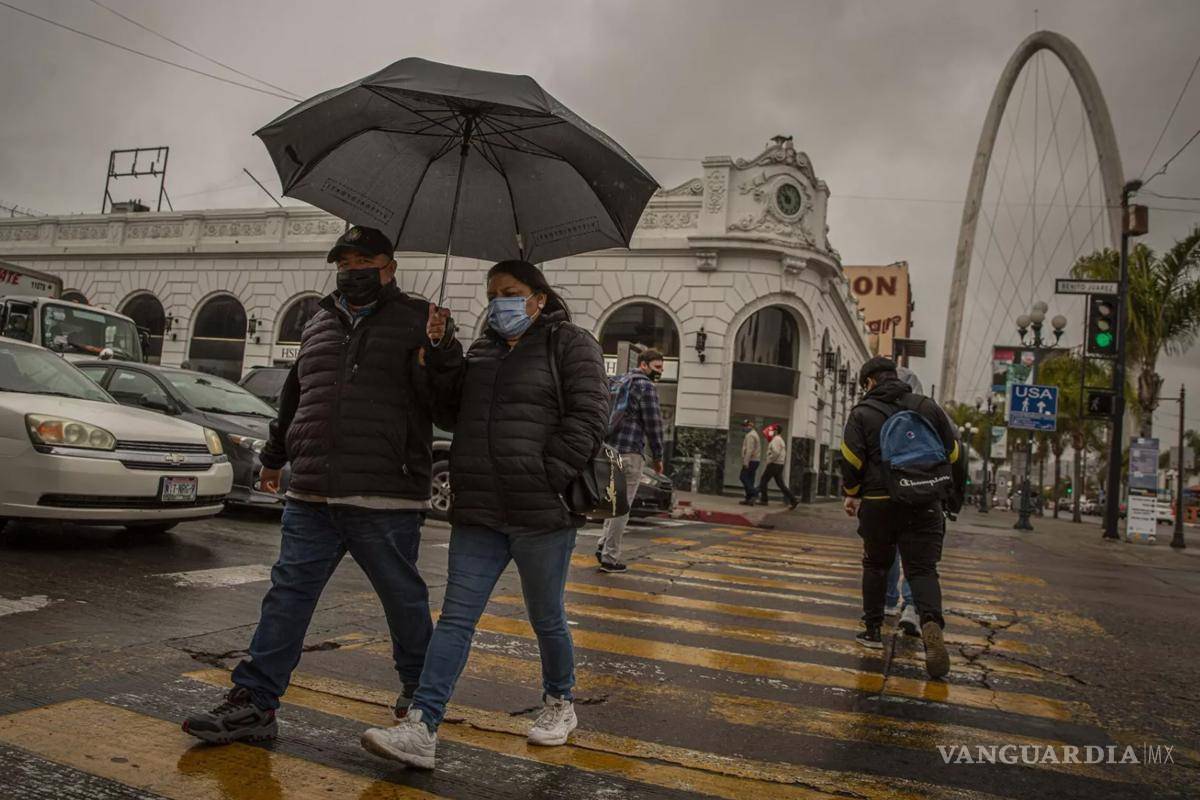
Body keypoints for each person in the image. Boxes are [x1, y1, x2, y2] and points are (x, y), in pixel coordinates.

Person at [182, 225, 453, 743]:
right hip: (312, 490)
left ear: (389, 267)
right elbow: (297, 391)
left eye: (362, 262)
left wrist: (441, 352)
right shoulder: (320, 319)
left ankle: (421, 703)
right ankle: (256, 703)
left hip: (384, 492)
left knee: (403, 601)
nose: (351, 272)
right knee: (288, 596)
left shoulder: (422, 321)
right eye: (344, 263)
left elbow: (446, 407)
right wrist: (276, 454)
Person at [360, 259, 608, 770]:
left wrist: (548, 474)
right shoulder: (482, 349)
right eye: (493, 294)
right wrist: (442, 348)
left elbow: (590, 415)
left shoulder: (572, 343)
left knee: (546, 618)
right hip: (479, 512)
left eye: (511, 292)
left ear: (539, 297)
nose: (500, 303)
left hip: (541, 512)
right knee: (456, 619)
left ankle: (560, 702)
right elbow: (450, 411)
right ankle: (422, 725)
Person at [840, 356, 965, 678]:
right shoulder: (925, 406)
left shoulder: (862, 412)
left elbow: (852, 459)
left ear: (869, 382)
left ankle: (871, 630)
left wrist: (852, 492)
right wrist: (951, 497)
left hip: (879, 502)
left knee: (877, 564)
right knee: (922, 569)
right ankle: (931, 623)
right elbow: (953, 453)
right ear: (895, 377)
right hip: (923, 500)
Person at [595, 348, 666, 572]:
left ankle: (602, 545)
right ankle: (610, 556)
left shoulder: (618, 381)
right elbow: (654, 424)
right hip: (630, 453)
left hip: (608, 450)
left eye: (661, 369)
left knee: (612, 502)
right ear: (643, 364)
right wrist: (658, 456)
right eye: (656, 367)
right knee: (622, 508)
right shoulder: (646, 386)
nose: (659, 372)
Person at [757, 424, 799, 509]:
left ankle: (764, 500)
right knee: (780, 484)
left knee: (763, 481)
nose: (770, 432)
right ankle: (793, 500)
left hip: (774, 464)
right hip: (779, 464)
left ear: (776, 431)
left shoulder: (776, 440)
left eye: (772, 431)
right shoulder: (780, 440)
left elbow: (776, 452)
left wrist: (770, 460)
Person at [738, 420, 761, 505]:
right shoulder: (753, 434)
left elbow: (749, 450)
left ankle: (754, 493)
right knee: (750, 479)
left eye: (745, 426)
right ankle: (749, 499)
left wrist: (745, 462)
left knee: (743, 477)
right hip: (755, 460)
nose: (743, 428)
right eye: (743, 426)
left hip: (751, 460)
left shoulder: (750, 436)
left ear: (750, 426)